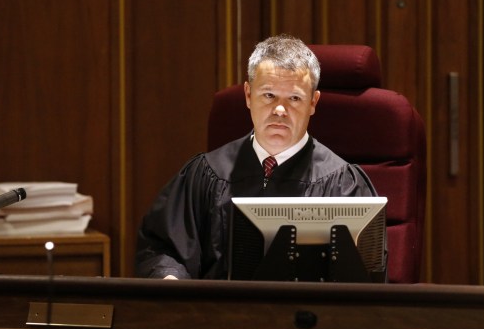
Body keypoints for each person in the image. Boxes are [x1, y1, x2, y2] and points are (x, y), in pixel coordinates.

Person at [135, 34, 377, 279]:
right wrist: (170, 278)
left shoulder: (343, 186)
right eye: (269, 95)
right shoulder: (206, 174)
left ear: (313, 102)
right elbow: (161, 248)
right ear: (248, 95)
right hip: (219, 314)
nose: (280, 110)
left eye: (294, 98)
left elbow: (362, 279)